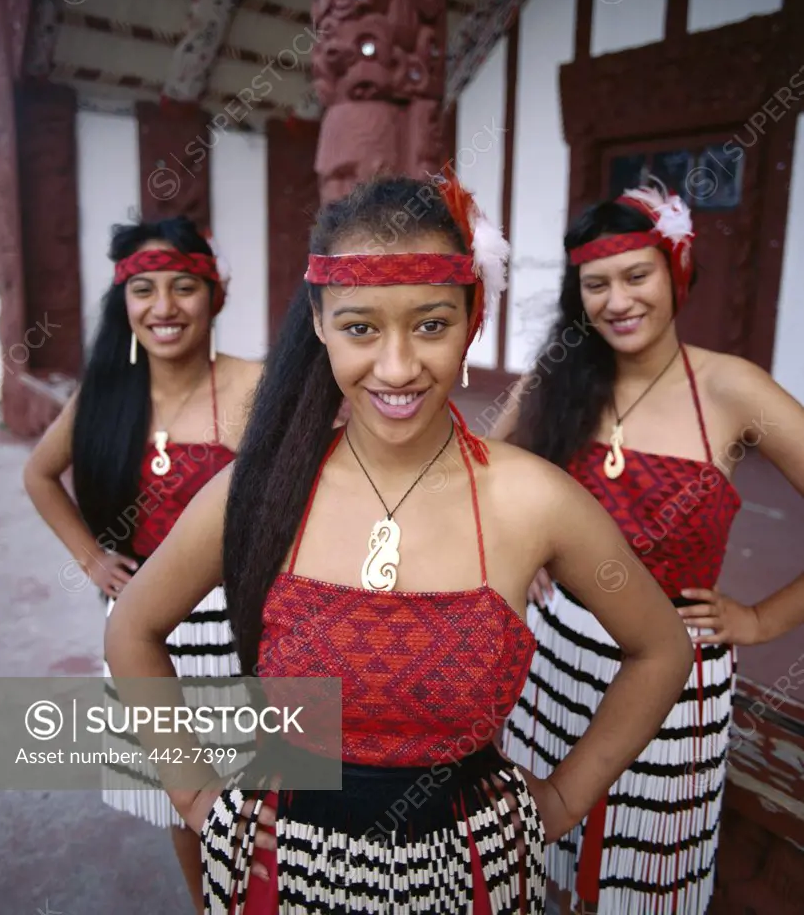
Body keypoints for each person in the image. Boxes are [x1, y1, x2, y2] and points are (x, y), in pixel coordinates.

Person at [104, 175, 693, 914]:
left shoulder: (533, 500)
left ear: (472, 318)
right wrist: (197, 797)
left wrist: (561, 802)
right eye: (359, 328)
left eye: (430, 325)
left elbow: (661, 649)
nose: (396, 367)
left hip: (468, 868)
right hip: (277, 862)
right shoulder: (256, 492)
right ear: (317, 323)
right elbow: (133, 627)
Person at [491, 179, 804, 914]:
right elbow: (479, 473)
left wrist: (761, 620)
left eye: (637, 275)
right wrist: (527, 551)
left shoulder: (734, 390)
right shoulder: (562, 377)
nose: (617, 300)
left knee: (640, 884)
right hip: (553, 654)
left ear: (676, 270)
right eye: (595, 284)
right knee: (541, 849)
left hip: (673, 673)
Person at [23, 216, 262, 913]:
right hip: (146, 631)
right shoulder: (103, 397)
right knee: (185, 793)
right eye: (144, 291)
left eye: (183, 287)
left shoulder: (254, 384)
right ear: (122, 302)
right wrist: (92, 558)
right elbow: (40, 475)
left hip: (245, 625)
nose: (163, 308)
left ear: (216, 294)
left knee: (262, 783)